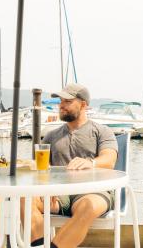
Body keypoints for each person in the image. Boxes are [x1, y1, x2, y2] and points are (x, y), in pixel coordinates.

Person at [24, 84, 118, 248]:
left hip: (93, 191)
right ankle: (39, 245)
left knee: (87, 206)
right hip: (59, 195)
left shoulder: (102, 131)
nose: (61, 105)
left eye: (67, 101)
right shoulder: (51, 136)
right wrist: (43, 183)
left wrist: (91, 163)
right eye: (60, 101)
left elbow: (109, 160)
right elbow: (42, 169)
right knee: (24, 199)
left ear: (83, 104)